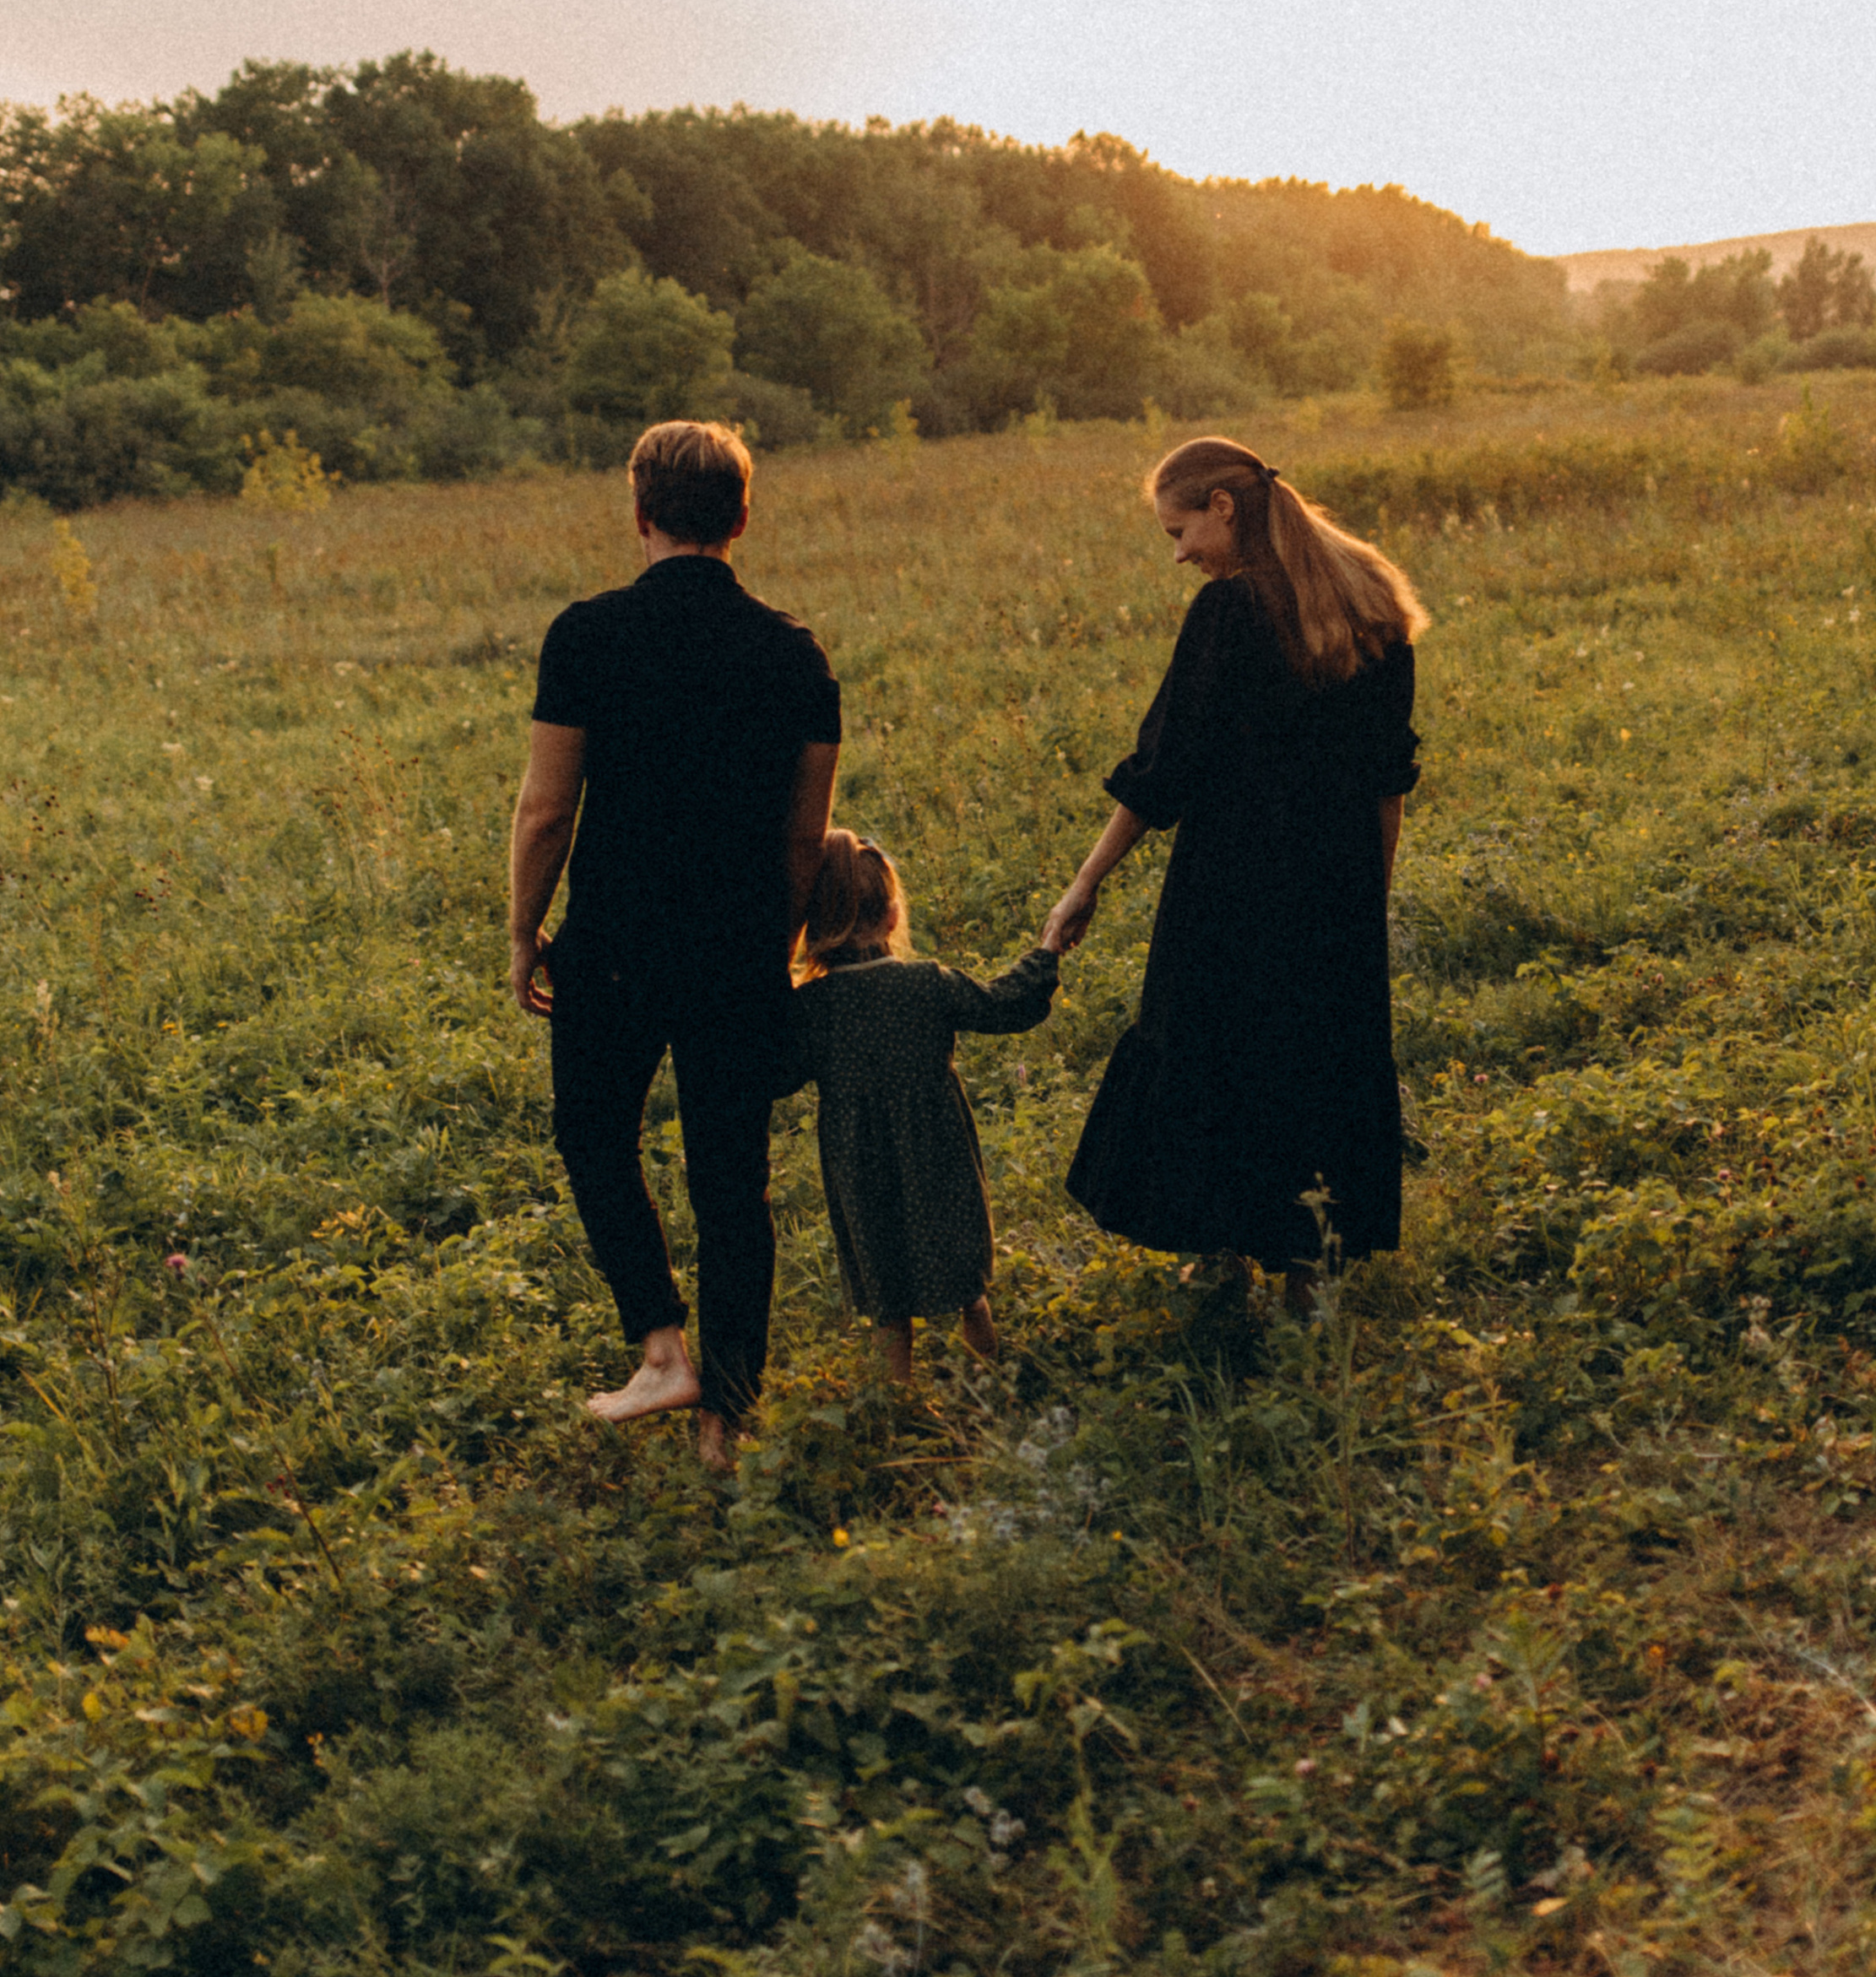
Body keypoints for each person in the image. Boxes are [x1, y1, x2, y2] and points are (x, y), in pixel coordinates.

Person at [508, 420, 840, 1473]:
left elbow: (547, 811)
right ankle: (723, 1422)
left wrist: (522, 931)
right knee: (732, 1179)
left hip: (611, 941)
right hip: (738, 946)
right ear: (741, 517)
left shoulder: (587, 635)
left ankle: (662, 1351)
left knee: (593, 1134)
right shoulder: (794, 653)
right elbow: (805, 836)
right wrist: (775, 941)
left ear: (640, 511)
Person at [1044, 435, 1426, 1307]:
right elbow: (1387, 777)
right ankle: (1308, 1279)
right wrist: (1370, 892)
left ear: (1223, 506)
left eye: (1179, 532)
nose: (1179, 556)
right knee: (1319, 1064)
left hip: (1232, 885)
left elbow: (1163, 769)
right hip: (1335, 884)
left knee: (1220, 1061)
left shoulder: (1230, 612)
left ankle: (1224, 1259)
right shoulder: (1373, 601)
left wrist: (1085, 882)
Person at [782, 829, 1060, 1383]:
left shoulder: (811, 1007)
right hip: (938, 1154)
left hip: (859, 1166)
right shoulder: (927, 983)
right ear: (892, 917)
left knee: (887, 1300)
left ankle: (899, 1402)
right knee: (968, 1289)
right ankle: (989, 1385)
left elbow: (775, 1074)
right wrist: (1046, 952)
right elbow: (1004, 1006)